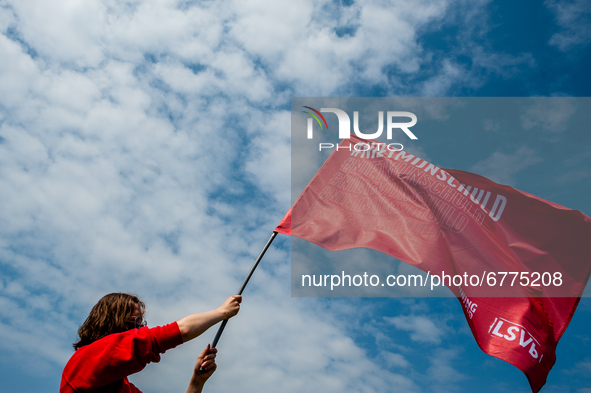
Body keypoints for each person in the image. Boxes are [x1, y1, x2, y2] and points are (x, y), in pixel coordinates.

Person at [60, 292, 242, 393]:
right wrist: (222, 312)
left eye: (141, 324)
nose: (139, 330)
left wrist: (196, 382)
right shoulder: (88, 358)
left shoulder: (123, 388)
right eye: (135, 323)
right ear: (113, 322)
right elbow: (180, 330)